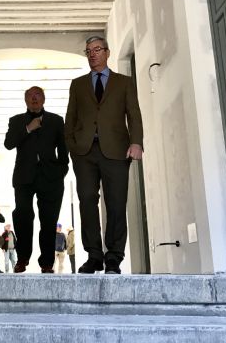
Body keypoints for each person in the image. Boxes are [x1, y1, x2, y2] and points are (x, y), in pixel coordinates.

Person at [65, 36, 143, 274]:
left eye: (97, 49)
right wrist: (73, 147)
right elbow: (70, 118)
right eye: (88, 50)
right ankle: (94, 255)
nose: (92, 54)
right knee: (87, 201)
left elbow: (134, 114)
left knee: (116, 203)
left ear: (107, 53)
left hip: (116, 151)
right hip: (85, 152)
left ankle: (114, 257)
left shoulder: (124, 83)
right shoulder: (78, 85)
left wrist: (136, 142)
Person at [4, 86, 69, 273]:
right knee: (23, 216)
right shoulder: (16, 121)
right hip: (24, 177)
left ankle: (47, 263)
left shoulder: (56, 121)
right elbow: (9, 144)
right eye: (30, 96)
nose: (34, 98)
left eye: (38, 95)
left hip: (51, 178)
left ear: (44, 99)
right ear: (25, 100)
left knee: (48, 220)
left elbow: (63, 149)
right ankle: (22, 258)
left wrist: (61, 171)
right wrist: (27, 129)